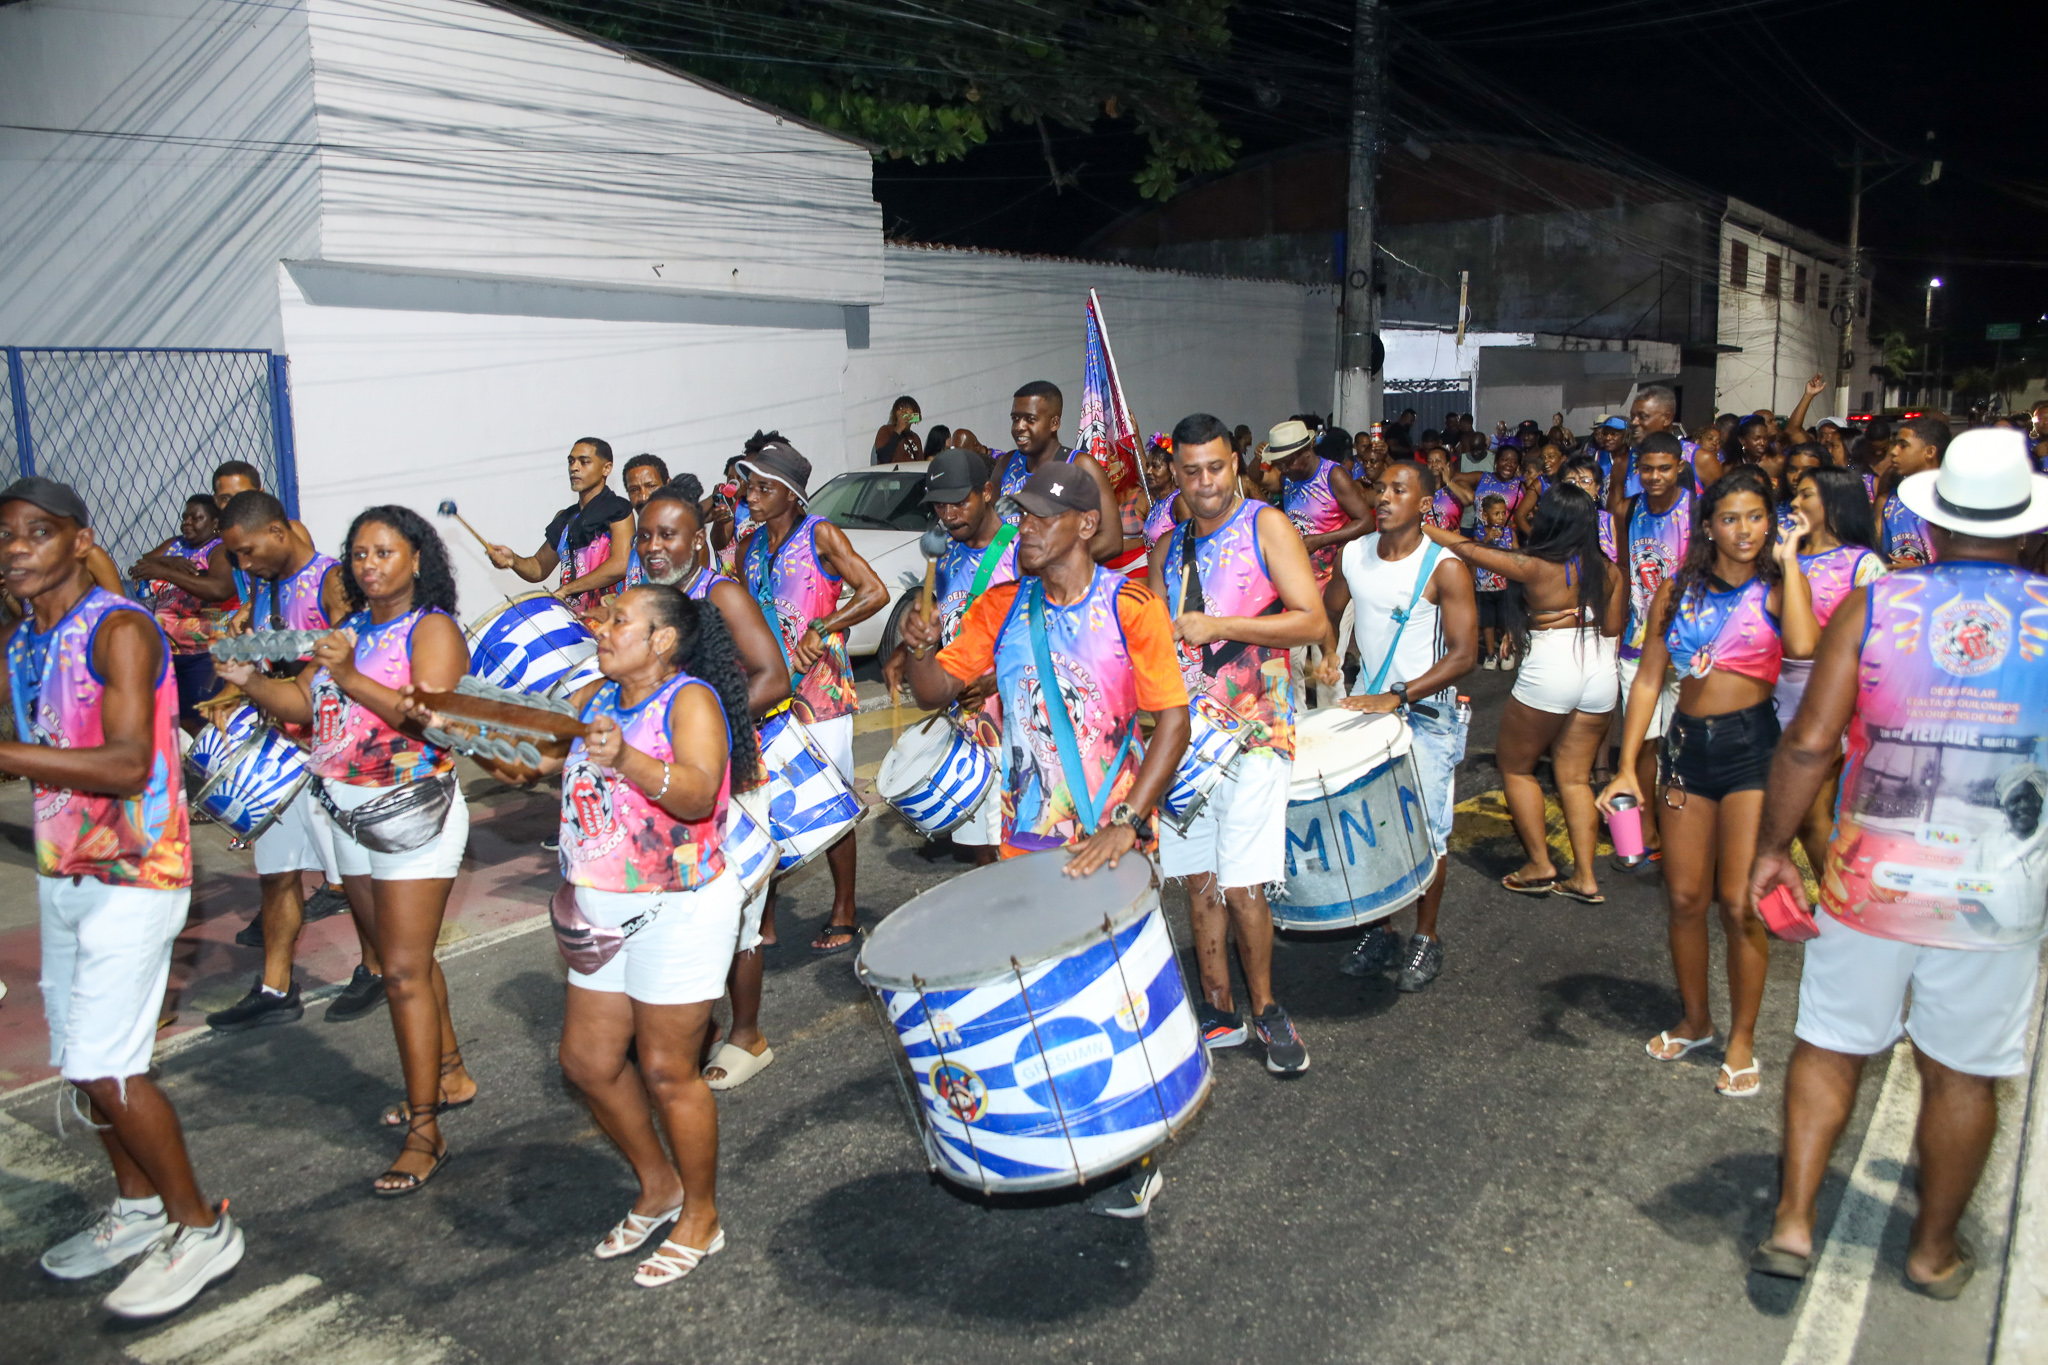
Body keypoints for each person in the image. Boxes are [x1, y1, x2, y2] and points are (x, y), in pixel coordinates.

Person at [1746, 428, 2048, 1298]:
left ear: (1936, 525)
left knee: (1831, 1045)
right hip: (1998, 894)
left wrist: (1773, 850)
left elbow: (1809, 743)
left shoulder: (1880, 605)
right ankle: (1931, 1251)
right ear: (2023, 530)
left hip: (1868, 879)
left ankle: (1794, 1223)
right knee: (1964, 1073)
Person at [431, 586, 760, 1286]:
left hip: (679, 905)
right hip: (600, 909)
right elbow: (528, 764)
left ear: (662, 640)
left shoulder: (688, 700)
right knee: (587, 1062)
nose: (601, 627)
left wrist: (627, 759)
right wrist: (453, 725)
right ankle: (658, 1184)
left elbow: (701, 794)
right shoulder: (593, 699)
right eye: (603, 618)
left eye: (618, 621)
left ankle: (702, 1215)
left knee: (670, 1071)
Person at [902, 460, 1190, 1218]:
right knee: (1045, 992)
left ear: (1084, 525)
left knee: (1114, 999)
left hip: (1111, 836)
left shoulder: (1132, 605)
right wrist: (918, 648)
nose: (1021, 527)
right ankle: (1072, 1137)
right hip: (1026, 836)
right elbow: (936, 690)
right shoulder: (1002, 607)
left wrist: (1128, 822)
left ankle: (1134, 1154)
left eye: (1036, 516)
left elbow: (1174, 721)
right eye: (1021, 515)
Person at [3, 478, 245, 1316]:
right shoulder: (27, 637)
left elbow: (127, 762)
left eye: (38, 533)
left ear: (80, 540)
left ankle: (200, 1226)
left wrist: (10, 754)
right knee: (82, 1060)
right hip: (64, 868)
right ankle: (140, 1207)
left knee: (109, 1063)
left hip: (137, 873)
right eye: (4, 537)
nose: (16, 548)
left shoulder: (121, 627)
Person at [216, 506, 475, 1192]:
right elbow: (304, 703)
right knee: (401, 959)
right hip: (344, 812)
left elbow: (436, 718)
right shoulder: (348, 628)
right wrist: (247, 682)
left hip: (412, 811)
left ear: (416, 558)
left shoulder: (434, 628)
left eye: (384, 552)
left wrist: (354, 673)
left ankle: (425, 1132)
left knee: (402, 972)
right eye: (359, 553)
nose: (368, 565)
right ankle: (449, 1072)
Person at [1148, 413, 1325, 1072]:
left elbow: (1311, 616)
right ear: (1174, 474)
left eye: (1216, 467)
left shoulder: (1266, 525)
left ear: (1237, 464)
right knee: (1201, 882)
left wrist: (1217, 623)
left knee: (1245, 883)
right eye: (1191, 471)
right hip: (1189, 745)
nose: (1206, 483)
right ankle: (1218, 1006)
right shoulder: (1166, 548)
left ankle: (1268, 1009)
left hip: (1256, 735)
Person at [1600, 467, 1783, 1098]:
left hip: (1753, 752)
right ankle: (1697, 1019)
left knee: (1738, 904)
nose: (1744, 530)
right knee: (1683, 899)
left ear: (1771, 520)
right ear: (1708, 526)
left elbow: (1813, 655)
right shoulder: (1677, 592)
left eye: (1756, 516)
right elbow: (1649, 679)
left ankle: (1743, 1037)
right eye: (1730, 518)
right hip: (1684, 753)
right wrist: (1627, 765)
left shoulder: (1781, 588)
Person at [628, 479, 790, 1092]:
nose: (653, 546)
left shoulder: (719, 593)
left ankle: (747, 1034)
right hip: (669, 786)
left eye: (667, 534)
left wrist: (706, 736)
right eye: (644, 535)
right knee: (676, 910)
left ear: (698, 538)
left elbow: (774, 677)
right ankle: (694, 1023)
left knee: (737, 917)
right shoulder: (645, 598)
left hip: (730, 779)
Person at [204, 491, 366, 1033]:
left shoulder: (331, 581)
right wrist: (234, 695)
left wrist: (262, 687)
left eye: (248, 552)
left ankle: (376, 969)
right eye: (236, 558)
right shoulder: (267, 589)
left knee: (356, 878)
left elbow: (341, 667)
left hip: (333, 753)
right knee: (276, 876)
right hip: (284, 752)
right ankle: (276, 987)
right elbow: (274, 664)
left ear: (278, 531)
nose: (244, 565)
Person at [1316, 460, 1479, 990]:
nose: (1383, 497)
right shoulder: (1354, 554)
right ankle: (1382, 929)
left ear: (1424, 502)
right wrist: (1327, 653)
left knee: (1428, 833)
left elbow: (1464, 655)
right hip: (1373, 711)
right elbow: (1332, 606)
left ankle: (1425, 938)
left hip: (1427, 716)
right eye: (1379, 488)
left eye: (1397, 490)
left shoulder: (1445, 568)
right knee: (1373, 827)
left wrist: (1400, 694)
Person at [1432, 485, 1623, 904]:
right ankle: (1585, 878)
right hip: (1599, 665)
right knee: (1574, 777)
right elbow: (1613, 628)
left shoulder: (1536, 565)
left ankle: (1540, 864)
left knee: (1516, 767)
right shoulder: (1609, 570)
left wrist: (1427, 527)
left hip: (1553, 664)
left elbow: (1470, 549)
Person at [733, 441, 887, 952]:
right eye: (749, 487)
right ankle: (766, 916)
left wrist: (825, 626)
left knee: (832, 802)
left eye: (763, 488)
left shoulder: (819, 533)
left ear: (792, 494)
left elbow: (874, 591)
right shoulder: (748, 547)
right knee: (765, 806)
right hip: (769, 696)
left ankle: (844, 909)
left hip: (821, 696)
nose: (751, 497)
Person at [883, 449, 1016, 868]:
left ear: (988, 493)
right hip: (968, 719)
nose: (949, 513)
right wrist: (908, 651)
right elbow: (945, 617)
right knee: (979, 841)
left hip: (1015, 718)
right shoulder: (946, 555)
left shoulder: (1022, 551)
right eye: (940, 504)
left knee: (1014, 842)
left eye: (960, 501)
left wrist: (995, 680)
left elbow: (1049, 631)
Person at [1772, 466, 1883, 874]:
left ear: (1834, 501)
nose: (1795, 503)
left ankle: (1837, 899)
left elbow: (1875, 639)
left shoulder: (1863, 564)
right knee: (1789, 812)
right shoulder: (1787, 555)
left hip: (1828, 698)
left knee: (1811, 814)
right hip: (1775, 694)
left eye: (1806, 495)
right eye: (1795, 495)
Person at [1611, 433, 1695, 865]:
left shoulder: (1694, 510)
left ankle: (1676, 823)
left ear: (1680, 466)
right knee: (1641, 738)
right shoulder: (1630, 510)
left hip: (1685, 645)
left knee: (1677, 741)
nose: (1655, 476)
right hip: (1637, 641)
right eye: (1647, 469)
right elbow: (1625, 573)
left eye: (1664, 468)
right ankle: (1644, 832)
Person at [487, 437, 636, 614]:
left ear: (606, 468)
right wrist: (513, 560)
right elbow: (538, 568)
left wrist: (568, 589)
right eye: (571, 461)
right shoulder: (565, 518)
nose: (574, 468)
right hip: (574, 623)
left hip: (610, 618)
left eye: (584, 462)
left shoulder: (618, 508)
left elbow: (621, 563)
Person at [129, 494, 237, 728]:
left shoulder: (218, 551)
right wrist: (171, 562)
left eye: (196, 518)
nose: (187, 522)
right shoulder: (175, 545)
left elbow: (219, 590)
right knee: (173, 723)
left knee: (204, 722)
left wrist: (167, 572)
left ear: (215, 523)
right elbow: (140, 567)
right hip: (167, 653)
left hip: (204, 653)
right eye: (185, 517)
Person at [991, 381, 1129, 564]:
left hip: (1056, 586)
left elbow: (1111, 541)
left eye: (1030, 420)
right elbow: (988, 528)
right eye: (1015, 419)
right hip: (1009, 586)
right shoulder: (1006, 464)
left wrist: (1048, 565)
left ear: (1054, 423)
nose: (1019, 427)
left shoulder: (1081, 466)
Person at [1881, 416, 1950, 567]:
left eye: (1903, 445)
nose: (1893, 451)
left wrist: (1920, 570)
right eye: (1895, 444)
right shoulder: (1893, 497)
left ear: (1930, 452)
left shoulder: (1949, 498)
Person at [1471, 494, 1517, 669]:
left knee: (1505, 622)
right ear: (1485, 515)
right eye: (1496, 513)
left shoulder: (1509, 533)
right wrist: (1486, 539)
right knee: (1488, 624)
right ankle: (1491, 655)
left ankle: (1507, 652)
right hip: (1484, 587)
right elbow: (1475, 553)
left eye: (1503, 513)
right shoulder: (1479, 533)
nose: (1501, 517)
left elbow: (1517, 552)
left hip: (1505, 586)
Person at [1138, 434, 1183, 547]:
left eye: (1156, 467)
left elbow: (1190, 544)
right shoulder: (1158, 501)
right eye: (1148, 466)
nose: (1148, 471)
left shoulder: (1179, 501)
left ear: (1172, 469)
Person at [873, 396, 924, 465]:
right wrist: (898, 430)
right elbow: (883, 459)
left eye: (908, 407)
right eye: (900, 408)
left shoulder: (915, 437)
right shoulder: (886, 430)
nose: (904, 411)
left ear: (915, 413)